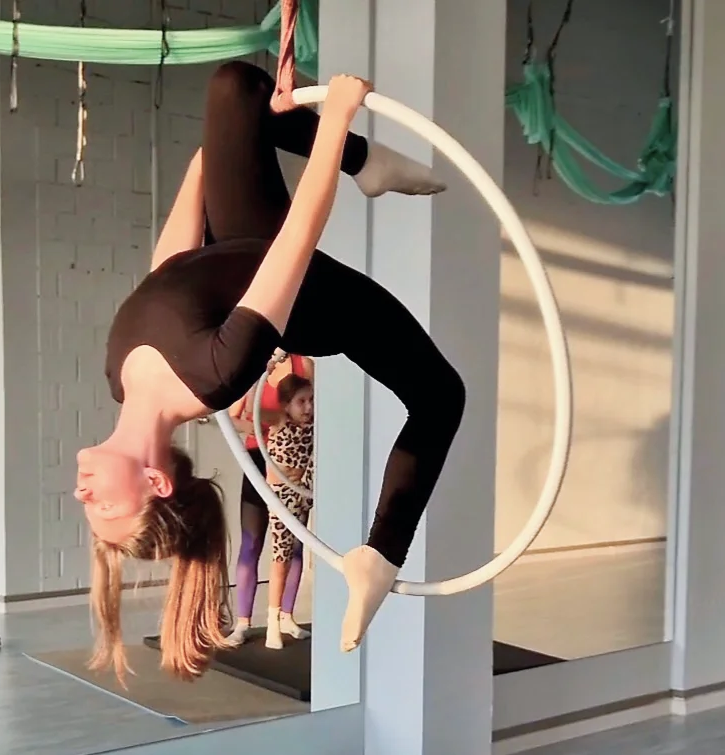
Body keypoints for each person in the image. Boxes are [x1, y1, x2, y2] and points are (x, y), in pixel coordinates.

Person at [75, 61, 463, 684]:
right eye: (105, 506)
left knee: (237, 90)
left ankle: (368, 164)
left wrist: (216, 153)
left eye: (86, 506)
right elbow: (296, 242)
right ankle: (382, 554)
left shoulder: (118, 376)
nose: (82, 495)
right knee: (442, 395)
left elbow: (172, 270)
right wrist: (335, 121)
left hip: (240, 243)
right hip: (316, 298)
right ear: (156, 481)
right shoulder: (215, 376)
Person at [224, 353, 314, 648]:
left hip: (294, 464)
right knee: (252, 540)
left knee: (294, 545)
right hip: (260, 456)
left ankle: (286, 615)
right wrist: (258, 423)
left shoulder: (304, 365)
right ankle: (243, 622)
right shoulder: (255, 366)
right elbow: (232, 417)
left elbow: (311, 411)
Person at [263, 372, 315, 650]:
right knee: (280, 557)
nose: (308, 407)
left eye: (311, 400)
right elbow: (252, 414)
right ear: (286, 405)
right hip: (282, 498)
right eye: (301, 402)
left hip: (303, 495)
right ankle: (272, 622)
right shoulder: (280, 422)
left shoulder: (313, 426)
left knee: (297, 554)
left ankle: (287, 616)